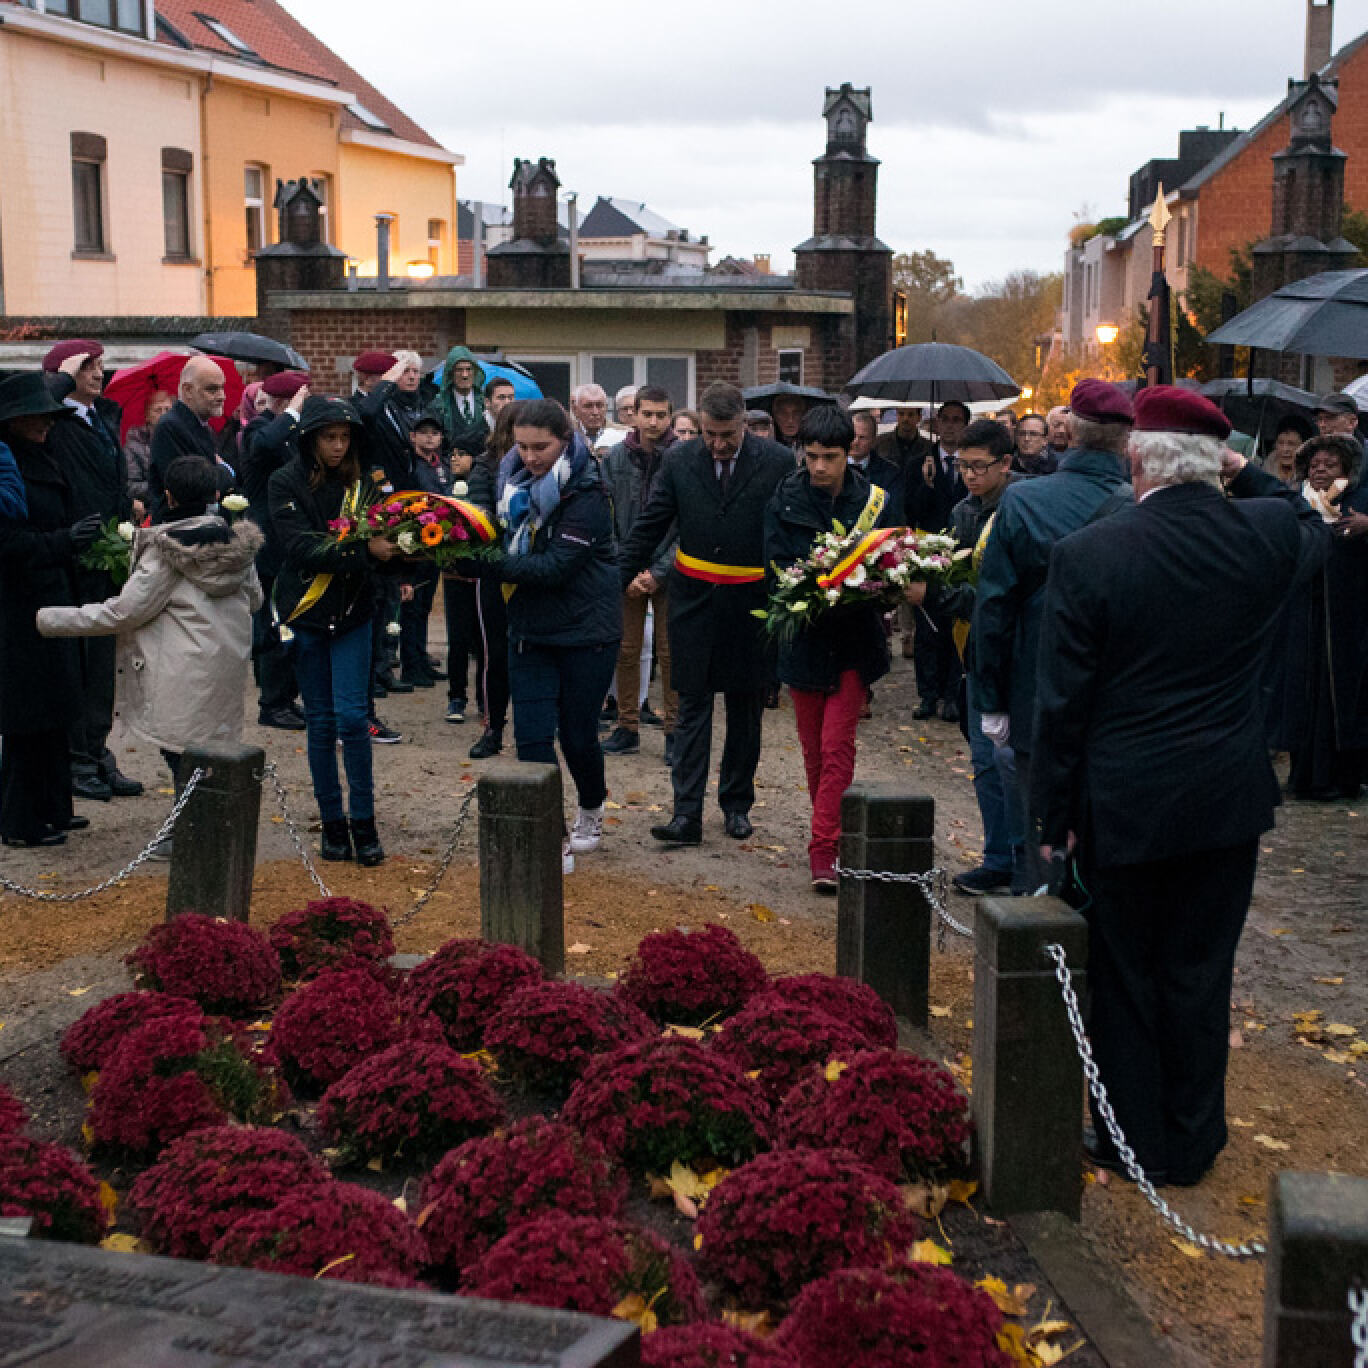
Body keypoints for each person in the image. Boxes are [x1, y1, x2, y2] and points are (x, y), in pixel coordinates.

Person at [1031, 386, 1328, 1187]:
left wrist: (1052, 817)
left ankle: (1133, 1137)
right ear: (1216, 463)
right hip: (1225, 797)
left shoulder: (1089, 554)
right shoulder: (1265, 533)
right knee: (1201, 972)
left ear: (1135, 460)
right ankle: (1193, 1137)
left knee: (1125, 975)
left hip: (1124, 799)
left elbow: (1062, 704)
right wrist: (1247, 471)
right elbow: (1308, 524)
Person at [37, 458, 262, 853]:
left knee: (181, 755)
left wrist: (48, 618)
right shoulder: (236, 545)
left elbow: (124, 612)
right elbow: (255, 599)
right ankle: (202, 829)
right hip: (224, 663)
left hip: (180, 669)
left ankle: (190, 836)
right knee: (205, 753)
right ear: (214, 496)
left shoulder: (165, 551)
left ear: (168, 496)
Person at [973, 379, 1134, 893]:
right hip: (1115, 693)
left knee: (1038, 823)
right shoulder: (1142, 505)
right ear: (1126, 439)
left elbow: (994, 608)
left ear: (1072, 433)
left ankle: (1035, 918)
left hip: (1035, 686)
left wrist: (991, 699)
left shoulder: (1023, 500)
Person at [619, 382, 793, 845]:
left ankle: (736, 805)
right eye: (710, 434)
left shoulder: (777, 461)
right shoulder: (679, 460)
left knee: (745, 710)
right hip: (693, 600)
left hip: (752, 603)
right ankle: (686, 813)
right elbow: (652, 523)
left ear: (744, 424)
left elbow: (788, 529)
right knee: (692, 707)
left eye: (727, 435)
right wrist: (617, 575)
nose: (717, 444)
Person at [475, 400, 621, 857]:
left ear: (565, 441)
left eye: (541, 447)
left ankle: (591, 807)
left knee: (577, 736)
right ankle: (549, 837)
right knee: (532, 738)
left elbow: (556, 566)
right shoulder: (508, 482)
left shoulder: (589, 491)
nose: (530, 457)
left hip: (586, 631)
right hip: (530, 630)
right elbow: (490, 530)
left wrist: (486, 565)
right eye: (522, 446)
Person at [765, 407, 892, 891]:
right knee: (814, 750)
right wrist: (815, 587)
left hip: (854, 641)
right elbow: (775, 566)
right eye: (812, 456)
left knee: (837, 745)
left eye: (830, 457)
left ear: (849, 452)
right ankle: (832, 831)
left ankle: (824, 848)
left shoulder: (874, 500)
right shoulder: (784, 499)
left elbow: (888, 560)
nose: (819, 466)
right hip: (804, 638)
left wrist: (870, 588)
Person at [268, 396, 397, 867]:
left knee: (353, 719)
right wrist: (365, 552)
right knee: (321, 722)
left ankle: (364, 821)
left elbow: (389, 539)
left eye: (344, 437)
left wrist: (402, 551)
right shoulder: (284, 481)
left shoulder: (368, 482)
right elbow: (300, 546)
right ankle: (332, 823)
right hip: (306, 612)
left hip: (353, 612)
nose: (338, 446)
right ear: (311, 440)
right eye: (329, 437)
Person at [0, 375, 100, 846]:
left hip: (53, 593)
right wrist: (65, 541)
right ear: (13, 421)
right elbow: (7, 543)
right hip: (18, 606)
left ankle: (55, 806)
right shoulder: (6, 466)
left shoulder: (42, 455)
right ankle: (19, 820)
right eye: (35, 417)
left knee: (58, 707)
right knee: (27, 715)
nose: (45, 423)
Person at [43, 340, 144, 803]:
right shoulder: (52, 419)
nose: (98, 374)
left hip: (106, 551)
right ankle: (76, 759)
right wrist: (61, 377)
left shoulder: (100, 418)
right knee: (79, 662)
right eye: (87, 367)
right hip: (72, 555)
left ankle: (96, 751)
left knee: (103, 662)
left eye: (101, 366)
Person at [928, 419, 1024, 895]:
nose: (970, 475)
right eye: (964, 466)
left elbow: (1002, 591)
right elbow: (952, 572)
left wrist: (942, 595)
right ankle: (997, 857)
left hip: (1017, 651)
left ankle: (1025, 862)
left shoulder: (1024, 506)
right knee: (985, 761)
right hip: (976, 652)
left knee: (1015, 763)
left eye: (980, 466)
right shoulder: (962, 511)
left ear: (1006, 463)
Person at [1277, 433, 1368, 799]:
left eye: (1330, 465)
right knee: (1304, 694)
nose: (1320, 471)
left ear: (1346, 469)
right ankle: (1306, 776)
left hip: (1348, 620)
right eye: (1315, 465)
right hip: (1305, 617)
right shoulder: (1296, 502)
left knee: (1342, 698)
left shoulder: (1359, 502)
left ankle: (1343, 777)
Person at [600, 385, 678, 761]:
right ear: (634, 414)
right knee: (626, 649)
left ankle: (675, 732)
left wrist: (659, 571)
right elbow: (607, 516)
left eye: (661, 415)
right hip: (627, 567)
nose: (653, 422)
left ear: (670, 416)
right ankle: (626, 725)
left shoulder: (683, 458)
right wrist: (627, 566)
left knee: (670, 651)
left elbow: (688, 522)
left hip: (670, 570)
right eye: (647, 414)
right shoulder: (616, 457)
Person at [240, 373, 310, 731]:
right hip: (269, 545)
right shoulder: (259, 428)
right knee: (271, 626)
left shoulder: (291, 432)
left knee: (291, 623)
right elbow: (265, 445)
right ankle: (271, 703)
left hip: (291, 542)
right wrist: (291, 412)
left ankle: (286, 698)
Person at [904, 402, 971, 723]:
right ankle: (928, 694)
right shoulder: (920, 463)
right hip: (927, 551)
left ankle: (952, 694)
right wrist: (927, 484)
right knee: (927, 628)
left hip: (960, 552)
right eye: (945, 419)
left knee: (955, 624)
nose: (950, 426)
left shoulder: (971, 464)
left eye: (957, 420)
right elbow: (911, 509)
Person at [464, 403, 518, 757]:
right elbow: (478, 513)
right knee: (495, 654)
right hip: (496, 570)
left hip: (535, 571)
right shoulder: (485, 466)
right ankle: (493, 726)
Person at [149, 356, 230, 515]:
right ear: (188, 390)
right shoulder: (171, 427)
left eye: (222, 388)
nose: (222, 396)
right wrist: (226, 470)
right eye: (212, 389)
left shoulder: (198, 425)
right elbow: (193, 488)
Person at [442, 437, 480, 724]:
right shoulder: (446, 492)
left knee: (482, 641)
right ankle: (456, 697)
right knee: (457, 640)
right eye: (452, 454)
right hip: (454, 574)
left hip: (480, 575)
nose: (455, 459)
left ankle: (485, 698)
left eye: (462, 454)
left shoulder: (485, 488)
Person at [359, 351, 429, 487]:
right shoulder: (381, 404)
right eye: (405, 371)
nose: (411, 377)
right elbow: (367, 414)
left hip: (416, 478)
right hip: (382, 480)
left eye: (416, 372)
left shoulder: (426, 403)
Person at [431, 347, 488, 455]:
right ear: (451, 373)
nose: (464, 375)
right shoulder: (439, 405)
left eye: (469, 369)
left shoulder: (486, 402)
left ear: (475, 372)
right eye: (459, 370)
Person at [124, 389, 174, 511]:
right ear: (147, 416)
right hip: (151, 509)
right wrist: (164, 489)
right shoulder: (133, 446)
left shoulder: (180, 439)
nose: (164, 414)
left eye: (168, 409)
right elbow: (131, 486)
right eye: (158, 410)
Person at [874, 405, 932, 473]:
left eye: (911, 415)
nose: (905, 419)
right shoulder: (879, 443)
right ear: (897, 415)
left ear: (919, 417)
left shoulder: (929, 447)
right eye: (901, 414)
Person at [1260, 415, 1314, 486]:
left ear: (1305, 447)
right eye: (1280, 443)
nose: (1285, 449)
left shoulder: (1312, 477)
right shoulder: (1263, 472)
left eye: (1291, 444)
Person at [1012, 411, 1057, 477]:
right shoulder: (1005, 465)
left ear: (1045, 440)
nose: (1026, 439)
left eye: (1033, 434)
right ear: (1016, 437)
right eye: (1022, 434)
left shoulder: (1058, 466)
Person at [570, 384, 609, 448]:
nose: (595, 412)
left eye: (599, 406)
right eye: (588, 406)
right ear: (575, 410)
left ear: (606, 407)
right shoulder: (565, 434)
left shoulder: (622, 434)